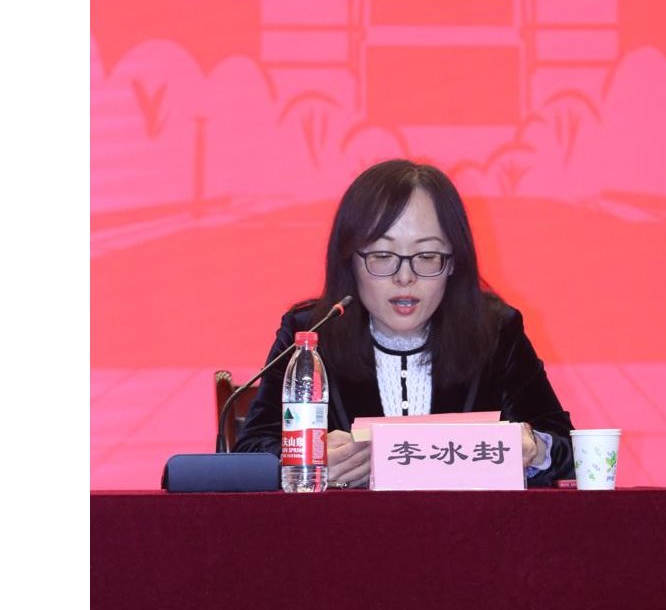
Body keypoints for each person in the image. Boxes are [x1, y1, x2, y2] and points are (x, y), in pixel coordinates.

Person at [234, 159, 575, 487]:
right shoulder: (312, 333)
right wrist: (305, 460)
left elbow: (570, 451)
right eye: (383, 256)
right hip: (345, 525)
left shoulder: (496, 331)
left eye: (427, 256)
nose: (405, 277)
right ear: (349, 260)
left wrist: (535, 449)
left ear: (454, 262)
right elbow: (250, 451)